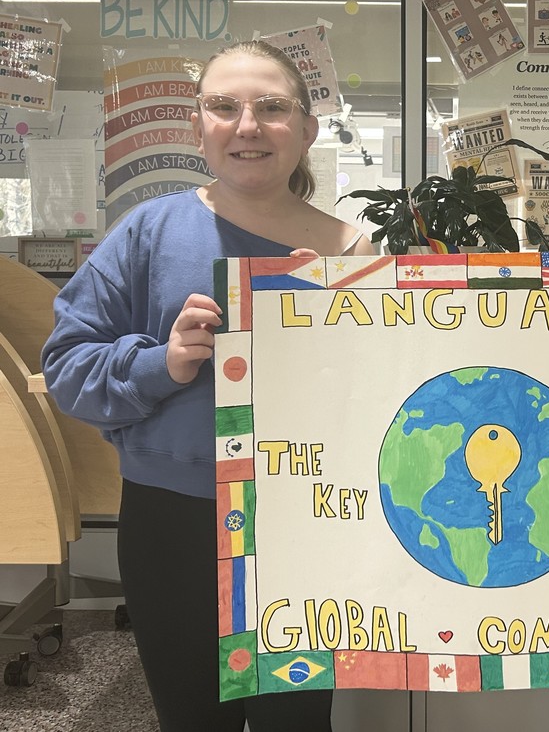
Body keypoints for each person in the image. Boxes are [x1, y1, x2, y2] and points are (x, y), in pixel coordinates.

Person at [42, 39, 374, 732]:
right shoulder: (148, 234)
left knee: (298, 723)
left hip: (305, 522)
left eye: (272, 108)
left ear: (307, 130)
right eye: (225, 107)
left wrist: (340, 334)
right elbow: (68, 368)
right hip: (173, 521)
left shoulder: (353, 254)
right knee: (192, 718)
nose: (247, 125)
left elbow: (389, 403)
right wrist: (163, 362)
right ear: (200, 127)